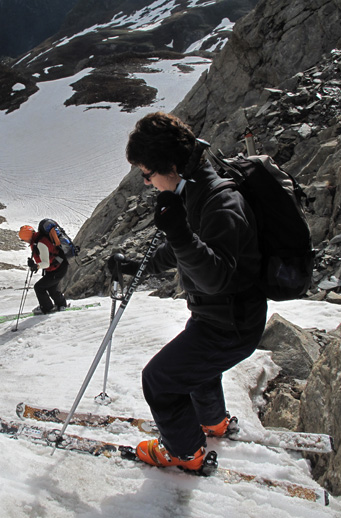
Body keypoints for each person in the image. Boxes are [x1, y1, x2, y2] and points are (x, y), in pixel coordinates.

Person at [108, 112, 267, 472]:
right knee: (198, 369)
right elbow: (188, 248)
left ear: (171, 165)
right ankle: (213, 423)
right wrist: (139, 265)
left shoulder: (219, 203)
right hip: (223, 318)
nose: (147, 182)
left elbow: (215, 277)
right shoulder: (195, 190)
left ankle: (184, 452)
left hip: (230, 325)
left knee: (160, 381)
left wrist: (178, 233)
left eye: (148, 174)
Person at [19, 224, 69, 315]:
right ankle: (61, 304)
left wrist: (36, 266)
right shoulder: (37, 240)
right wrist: (35, 264)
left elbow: (46, 263)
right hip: (57, 267)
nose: (24, 241)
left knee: (39, 287)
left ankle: (47, 307)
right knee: (52, 289)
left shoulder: (40, 243)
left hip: (58, 269)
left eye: (23, 239)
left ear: (27, 237)